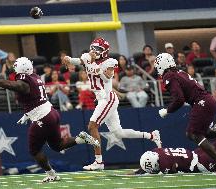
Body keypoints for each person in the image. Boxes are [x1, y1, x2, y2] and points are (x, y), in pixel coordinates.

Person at [0, 57, 100, 182]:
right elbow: (34, 98)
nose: (15, 70)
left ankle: (51, 174)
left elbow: (8, 84)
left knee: (34, 150)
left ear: (21, 68)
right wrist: (28, 114)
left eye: (16, 67)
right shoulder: (35, 77)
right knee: (57, 146)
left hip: (42, 117)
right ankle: (81, 138)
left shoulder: (24, 82)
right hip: (51, 113)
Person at [62, 37, 162, 171]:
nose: (94, 51)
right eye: (93, 48)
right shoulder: (88, 57)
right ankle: (152, 135)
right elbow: (78, 60)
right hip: (102, 99)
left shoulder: (110, 61)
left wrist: (93, 66)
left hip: (107, 98)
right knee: (118, 133)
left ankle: (99, 161)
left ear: (104, 51)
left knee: (92, 126)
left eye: (98, 49)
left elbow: (107, 76)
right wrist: (68, 59)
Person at [154, 53, 216, 174]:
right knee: (200, 133)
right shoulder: (179, 72)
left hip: (201, 102)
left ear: (161, 65)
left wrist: (167, 110)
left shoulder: (169, 75)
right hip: (207, 100)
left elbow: (179, 99)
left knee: (193, 134)